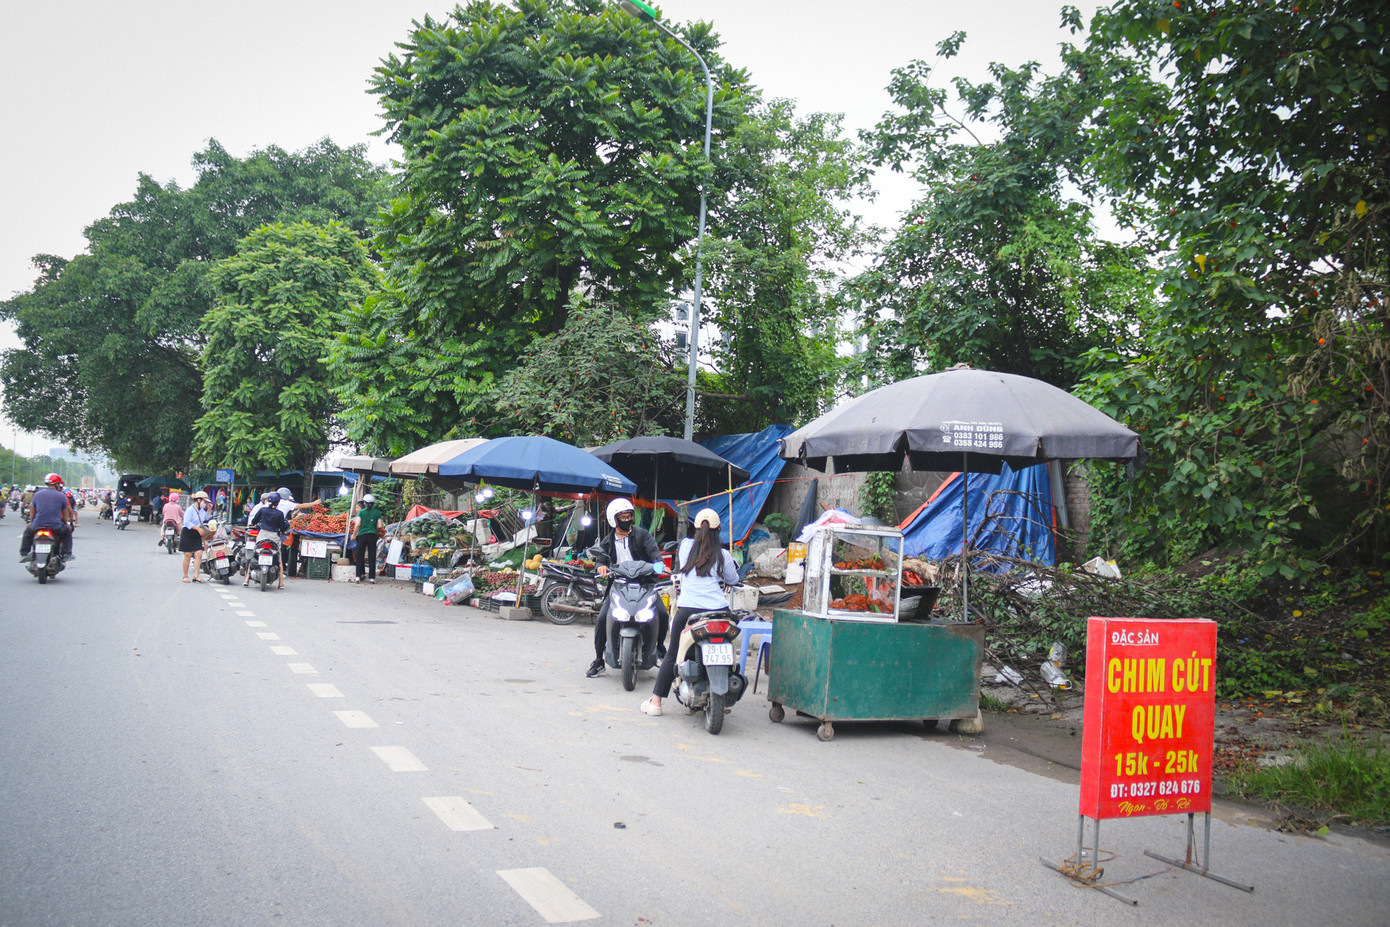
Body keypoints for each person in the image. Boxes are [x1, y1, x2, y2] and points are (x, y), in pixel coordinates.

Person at [641, 507, 740, 716]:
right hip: (718, 611)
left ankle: (656, 702)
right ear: (718, 530)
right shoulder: (723, 555)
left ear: (695, 528)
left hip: (689, 612)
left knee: (673, 653)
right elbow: (733, 580)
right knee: (730, 647)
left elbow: (681, 567)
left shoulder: (686, 546)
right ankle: (723, 690)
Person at [586, 498, 668, 678]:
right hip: (619, 585)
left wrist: (660, 564)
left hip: (645, 583)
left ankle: (660, 647)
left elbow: (655, 554)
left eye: (628, 516)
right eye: (622, 517)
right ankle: (599, 659)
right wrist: (600, 566)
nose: (626, 519)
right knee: (601, 619)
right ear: (613, 519)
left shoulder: (642, 535)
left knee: (662, 614)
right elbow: (601, 559)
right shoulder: (607, 542)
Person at [20, 473, 75, 561]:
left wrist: (32, 521)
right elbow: (65, 513)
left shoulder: (37, 494)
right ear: (57, 484)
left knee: (27, 532)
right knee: (67, 532)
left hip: (37, 524)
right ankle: (67, 554)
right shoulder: (61, 496)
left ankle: (24, 553)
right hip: (56, 526)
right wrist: (66, 523)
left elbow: (32, 510)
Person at [246, 492, 289, 588]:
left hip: (262, 535)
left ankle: (246, 580)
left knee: (254, 555)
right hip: (274, 537)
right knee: (279, 560)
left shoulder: (262, 510)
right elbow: (282, 528)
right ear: (278, 502)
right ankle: (281, 583)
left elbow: (253, 521)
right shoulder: (279, 513)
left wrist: (255, 524)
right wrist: (282, 531)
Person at [349, 493, 386, 584]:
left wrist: (354, 535)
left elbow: (357, 524)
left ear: (365, 503)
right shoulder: (377, 512)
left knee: (359, 555)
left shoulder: (361, 512)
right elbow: (380, 525)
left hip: (362, 535)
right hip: (373, 536)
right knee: (372, 556)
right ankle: (372, 578)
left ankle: (358, 577)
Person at [179, 491, 215, 582]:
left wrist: (209, 510)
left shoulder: (201, 511)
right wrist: (198, 529)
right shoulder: (190, 509)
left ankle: (196, 575)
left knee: (198, 554)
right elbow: (186, 522)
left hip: (197, 534)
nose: (205, 503)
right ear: (198, 500)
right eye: (204, 501)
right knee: (188, 555)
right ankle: (185, 576)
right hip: (188, 533)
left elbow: (206, 518)